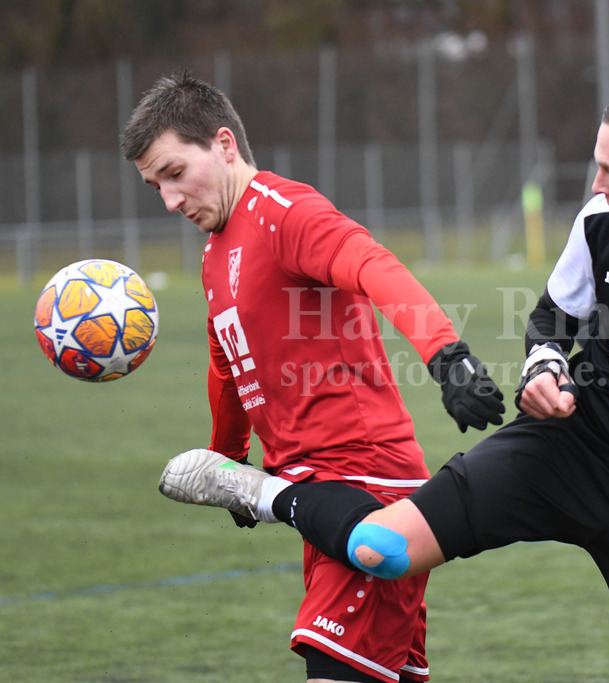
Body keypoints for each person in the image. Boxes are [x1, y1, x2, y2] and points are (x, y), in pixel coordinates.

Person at [158, 76, 609, 682]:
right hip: (567, 449)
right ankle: (269, 493)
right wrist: (545, 368)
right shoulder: (600, 223)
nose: (596, 184)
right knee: (382, 546)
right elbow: (550, 322)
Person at [121, 71, 505, 683]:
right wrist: (228, 463)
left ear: (224, 145)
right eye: (154, 186)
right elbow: (229, 362)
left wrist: (445, 353)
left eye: (174, 173)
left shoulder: (284, 213)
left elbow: (372, 265)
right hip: (318, 487)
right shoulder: (214, 253)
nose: (170, 200)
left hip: (363, 480)